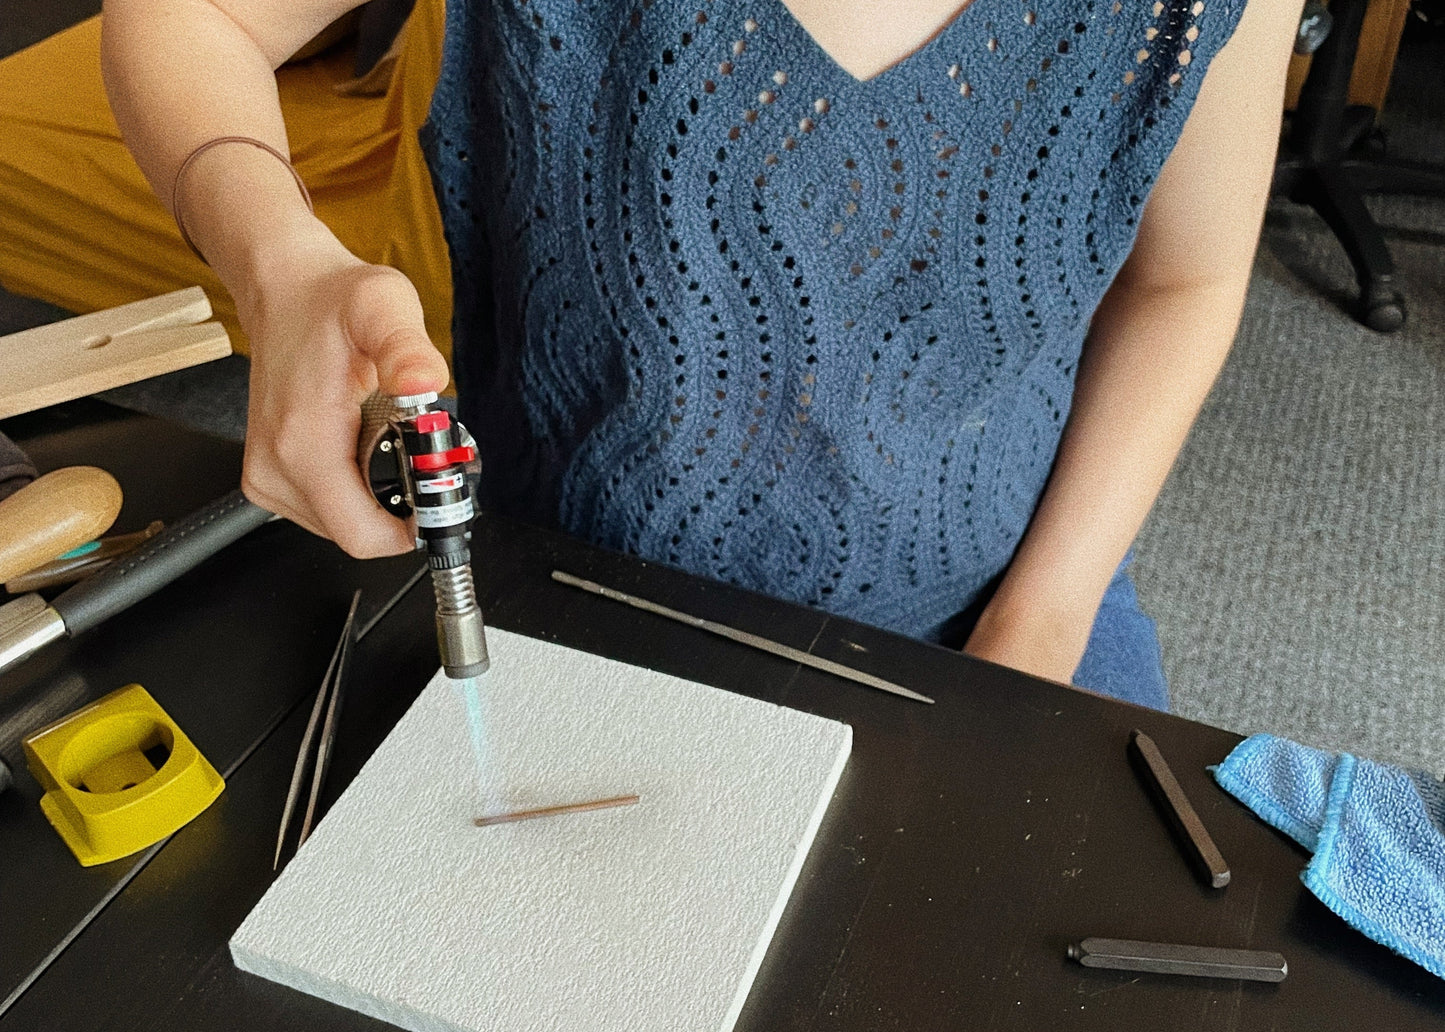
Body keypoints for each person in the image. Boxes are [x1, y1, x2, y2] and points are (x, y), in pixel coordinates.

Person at [99, 0, 1304, 709]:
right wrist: (281, 265)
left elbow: (1184, 281)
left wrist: (1037, 627)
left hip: (1015, 604)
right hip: (561, 596)